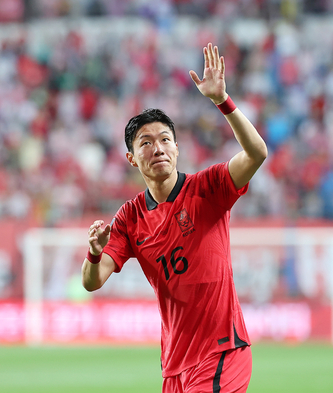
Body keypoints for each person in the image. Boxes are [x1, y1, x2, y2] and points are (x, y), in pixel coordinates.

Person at [81, 43, 267, 393]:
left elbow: (257, 153)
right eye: (146, 143)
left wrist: (221, 101)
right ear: (132, 159)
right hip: (174, 366)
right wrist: (93, 252)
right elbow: (92, 281)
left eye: (165, 139)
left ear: (178, 148)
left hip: (222, 350)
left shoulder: (208, 188)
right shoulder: (129, 217)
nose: (158, 148)